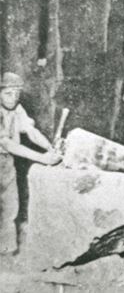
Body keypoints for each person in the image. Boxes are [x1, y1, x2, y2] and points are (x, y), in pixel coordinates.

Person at [0, 72, 59, 254]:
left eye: (17, 93)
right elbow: (6, 143)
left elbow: (30, 131)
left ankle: (6, 248)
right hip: (5, 151)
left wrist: (49, 148)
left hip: (5, 162)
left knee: (10, 204)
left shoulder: (17, 108)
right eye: (8, 93)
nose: (13, 98)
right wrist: (42, 158)